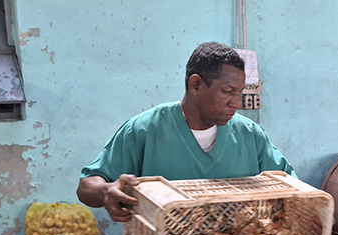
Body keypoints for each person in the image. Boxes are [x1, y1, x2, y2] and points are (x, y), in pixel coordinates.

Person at [77, 42, 296, 223]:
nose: (236, 103)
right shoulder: (146, 130)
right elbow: (87, 185)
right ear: (196, 85)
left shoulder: (249, 134)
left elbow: (291, 183)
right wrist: (106, 192)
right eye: (228, 92)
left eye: (239, 93)